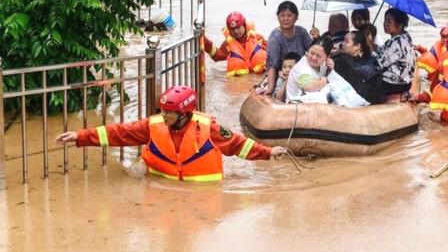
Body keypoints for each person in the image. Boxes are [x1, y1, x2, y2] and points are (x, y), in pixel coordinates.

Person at [55, 86, 287, 181]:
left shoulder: (209, 128)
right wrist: (81, 136)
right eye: (163, 111)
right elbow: (120, 133)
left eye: (170, 113)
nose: (164, 117)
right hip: (160, 181)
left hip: (202, 193)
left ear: (185, 113)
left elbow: (238, 145)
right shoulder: (154, 125)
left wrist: (268, 152)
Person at [257, 1, 312, 95]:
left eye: (289, 15)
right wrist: (270, 88)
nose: (285, 19)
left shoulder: (301, 32)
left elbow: (313, 52)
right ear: (278, 17)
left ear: (296, 17)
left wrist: (316, 38)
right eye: (282, 15)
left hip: (300, 74)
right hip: (282, 76)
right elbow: (272, 65)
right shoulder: (275, 37)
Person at [204, 12, 267, 77]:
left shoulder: (257, 39)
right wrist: (204, 41)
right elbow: (217, 56)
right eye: (232, 29)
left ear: (244, 25)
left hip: (258, 77)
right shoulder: (227, 44)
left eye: (238, 27)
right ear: (229, 30)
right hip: (241, 79)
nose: (236, 32)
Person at [333, 31, 385, 104]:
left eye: (346, 41)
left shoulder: (341, 61)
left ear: (357, 46)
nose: (342, 44)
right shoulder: (372, 61)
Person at [376, 8, 416, 97]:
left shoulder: (397, 41)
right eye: (385, 20)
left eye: (389, 21)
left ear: (400, 25)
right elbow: (385, 52)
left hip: (393, 84)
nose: (385, 24)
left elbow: (379, 64)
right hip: (406, 83)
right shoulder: (406, 37)